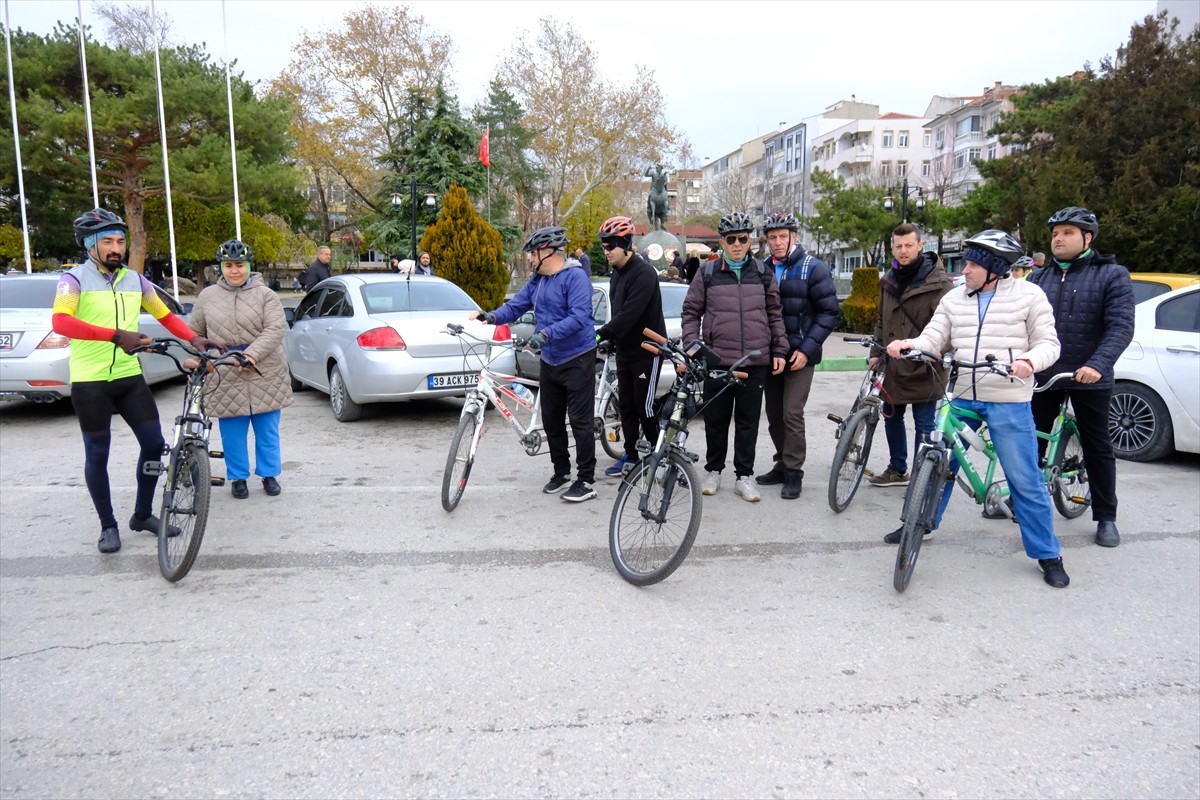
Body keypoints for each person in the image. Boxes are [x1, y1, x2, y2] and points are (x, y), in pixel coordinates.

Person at [885, 229, 1070, 589]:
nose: (965, 270)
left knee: (1024, 478)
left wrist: (1029, 361)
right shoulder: (955, 299)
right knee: (938, 460)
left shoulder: (1030, 296)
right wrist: (912, 344)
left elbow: (1049, 343)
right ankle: (918, 525)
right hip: (963, 393)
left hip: (1008, 396)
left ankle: (1047, 552)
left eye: (972, 264)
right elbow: (934, 337)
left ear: (995, 269)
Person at [51, 208, 223, 554]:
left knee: (152, 442)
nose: (116, 248)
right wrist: (115, 336)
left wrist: (195, 339)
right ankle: (108, 525)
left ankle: (142, 514)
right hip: (90, 380)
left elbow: (165, 314)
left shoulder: (135, 280)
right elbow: (61, 323)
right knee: (97, 453)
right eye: (107, 242)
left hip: (129, 376)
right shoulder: (74, 281)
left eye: (120, 241)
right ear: (90, 245)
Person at [1027, 206, 1134, 548]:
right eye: (1055, 233)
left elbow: (1121, 326)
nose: (1058, 238)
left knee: (1097, 446)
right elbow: (1020, 324)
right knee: (1031, 441)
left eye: (1068, 232)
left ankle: (1105, 516)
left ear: (1087, 238)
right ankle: (1024, 500)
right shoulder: (1038, 278)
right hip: (1045, 373)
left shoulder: (1112, 274)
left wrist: (1098, 364)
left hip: (1089, 374)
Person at [473, 226, 598, 502]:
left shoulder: (575, 277)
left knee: (579, 421)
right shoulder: (538, 280)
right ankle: (561, 472)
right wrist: (490, 316)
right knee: (552, 420)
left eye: (532, 253)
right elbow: (516, 306)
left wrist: (546, 334)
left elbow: (580, 317)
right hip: (551, 359)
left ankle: (587, 480)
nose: (530, 258)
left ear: (548, 251)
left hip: (578, 357)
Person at [681, 211, 787, 502]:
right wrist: (693, 346)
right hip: (718, 362)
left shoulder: (764, 273)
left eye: (742, 238)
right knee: (716, 420)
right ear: (722, 243)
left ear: (750, 240)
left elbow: (775, 314)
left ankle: (744, 476)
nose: (737, 244)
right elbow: (691, 312)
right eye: (731, 239)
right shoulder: (708, 273)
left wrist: (779, 350)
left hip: (755, 361)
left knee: (748, 421)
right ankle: (714, 470)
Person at [189, 240, 293, 500]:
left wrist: (251, 354)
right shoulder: (207, 296)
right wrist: (203, 357)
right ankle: (238, 477)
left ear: (248, 266)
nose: (235, 271)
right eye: (229, 265)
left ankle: (269, 474)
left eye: (239, 265)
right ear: (220, 268)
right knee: (232, 430)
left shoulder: (266, 295)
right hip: (225, 369)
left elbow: (274, 329)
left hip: (264, 368)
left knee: (266, 428)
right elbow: (195, 333)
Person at [753, 212, 839, 500]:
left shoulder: (812, 268)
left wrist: (806, 350)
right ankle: (781, 462)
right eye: (772, 237)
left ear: (793, 237)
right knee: (774, 414)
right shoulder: (762, 268)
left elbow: (828, 312)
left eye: (782, 236)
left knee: (792, 412)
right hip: (772, 355)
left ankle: (794, 472)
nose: (777, 242)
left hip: (801, 354)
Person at [866, 222, 953, 489]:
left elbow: (949, 325)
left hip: (925, 364)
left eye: (908, 245)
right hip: (893, 362)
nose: (903, 251)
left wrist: (935, 351)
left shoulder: (940, 283)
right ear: (892, 247)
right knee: (891, 416)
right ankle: (897, 468)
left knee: (924, 422)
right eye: (898, 246)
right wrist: (875, 352)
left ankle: (921, 476)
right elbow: (882, 319)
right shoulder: (888, 280)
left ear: (920, 246)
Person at [594, 216, 667, 478]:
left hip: (648, 351)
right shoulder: (617, 275)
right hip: (625, 351)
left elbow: (631, 313)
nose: (606, 251)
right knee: (625, 405)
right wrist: (611, 340)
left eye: (610, 245)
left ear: (625, 243)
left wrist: (602, 333)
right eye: (604, 246)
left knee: (643, 406)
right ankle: (631, 455)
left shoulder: (644, 273)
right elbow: (618, 313)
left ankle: (659, 457)